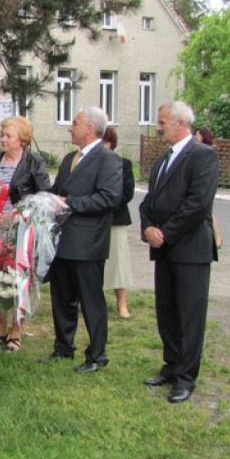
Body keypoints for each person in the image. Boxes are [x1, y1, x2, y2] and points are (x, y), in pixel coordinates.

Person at [140, 101, 219, 404]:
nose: (158, 128)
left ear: (180, 123)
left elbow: (198, 204)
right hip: (164, 249)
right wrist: (147, 227)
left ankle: (186, 377)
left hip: (190, 250)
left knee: (189, 315)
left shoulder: (203, 156)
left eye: (162, 122)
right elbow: (149, 202)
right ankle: (171, 365)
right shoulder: (163, 159)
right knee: (167, 311)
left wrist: (166, 233)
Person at [45, 108, 122, 373]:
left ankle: (97, 355)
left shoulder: (108, 159)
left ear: (90, 128)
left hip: (88, 244)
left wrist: (70, 203)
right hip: (62, 241)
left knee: (90, 300)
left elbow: (109, 197)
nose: (69, 127)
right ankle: (63, 347)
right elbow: (57, 192)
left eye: (74, 123)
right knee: (61, 297)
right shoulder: (69, 159)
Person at [0, 115, 51, 351]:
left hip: (21, 233)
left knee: (18, 281)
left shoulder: (34, 162)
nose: (3, 139)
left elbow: (44, 199)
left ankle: (16, 332)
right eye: (2, 135)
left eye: (8, 135)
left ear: (22, 139)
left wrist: (14, 215)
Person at [102, 126, 134, 320]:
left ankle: (122, 304)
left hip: (115, 219)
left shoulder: (124, 164)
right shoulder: (86, 162)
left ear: (109, 143)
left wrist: (105, 204)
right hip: (93, 220)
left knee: (118, 262)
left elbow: (127, 193)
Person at [194, 127, 223, 249]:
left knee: (209, 212)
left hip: (207, 185)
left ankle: (218, 238)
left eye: (196, 134)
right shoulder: (199, 149)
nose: (194, 136)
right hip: (205, 184)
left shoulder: (208, 150)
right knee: (208, 212)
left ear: (202, 136)